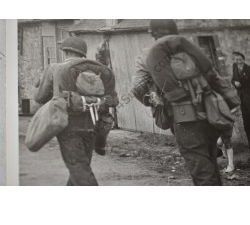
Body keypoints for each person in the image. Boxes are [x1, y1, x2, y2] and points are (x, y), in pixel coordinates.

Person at [132, 20, 239, 186]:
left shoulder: (148, 54)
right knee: (210, 164)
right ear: (175, 31)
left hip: (184, 120)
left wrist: (154, 102)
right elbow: (214, 76)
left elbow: (137, 88)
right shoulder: (190, 48)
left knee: (201, 170)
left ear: (152, 33)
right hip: (212, 114)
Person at [33, 37, 117, 186]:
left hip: (67, 125)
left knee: (79, 168)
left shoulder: (55, 68)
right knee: (80, 166)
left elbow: (40, 97)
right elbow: (112, 99)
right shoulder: (99, 69)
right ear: (83, 53)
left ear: (65, 51)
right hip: (93, 124)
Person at [232, 52, 250, 147]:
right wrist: (235, 83)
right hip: (241, 100)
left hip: (249, 98)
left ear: (244, 59)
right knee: (247, 124)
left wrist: (241, 83)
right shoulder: (234, 67)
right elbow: (232, 79)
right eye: (236, 59)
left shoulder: (248, 69)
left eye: (240, 59)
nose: (238, 61)